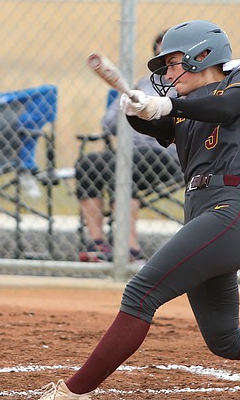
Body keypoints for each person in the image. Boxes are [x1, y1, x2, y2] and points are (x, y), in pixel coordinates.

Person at [12, 19, 240, 400]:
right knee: (224, 338)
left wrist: (168, 104)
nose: (168, 74)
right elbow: (159, 124)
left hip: (230, 210)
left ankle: (72, 394)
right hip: (202, 211)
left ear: (203, 57)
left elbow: (225, 106)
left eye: (175, 63)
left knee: (141, 293)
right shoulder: (187, 107)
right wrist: (136, 110)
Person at [77, 31, 181, 264]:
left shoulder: (186, 85)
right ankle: (98, 244)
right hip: (128, 152)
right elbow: (109, 122)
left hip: (164, 155)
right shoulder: (143, 83)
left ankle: (129, 249)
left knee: (123, 166)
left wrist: (151, 110)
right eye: (161, 52)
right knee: (88, 164)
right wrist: (131, 103)